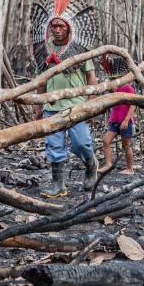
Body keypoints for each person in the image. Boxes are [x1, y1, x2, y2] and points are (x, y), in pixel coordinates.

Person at [34, 17, 99, 198]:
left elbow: (91, 77)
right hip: (51, 106)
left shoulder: (79, 49)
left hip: (76, 105)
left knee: (81, 143)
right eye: (53, 26)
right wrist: (40, 105)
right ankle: (58, 185)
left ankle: (91, 165)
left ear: (69, 28)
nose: (57, 29)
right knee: (54, 146)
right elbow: (42, 79)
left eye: (61, 25)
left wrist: (91, 102)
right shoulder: (44, 49)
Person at [97, 84, 136, 175]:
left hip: (126, 121)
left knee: (126, 144)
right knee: (106, 140)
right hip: (114, 121)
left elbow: (133, 104)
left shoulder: (127, 87)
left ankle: (130, 169)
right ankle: (108, 165)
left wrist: (126, 120)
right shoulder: (113, 88)